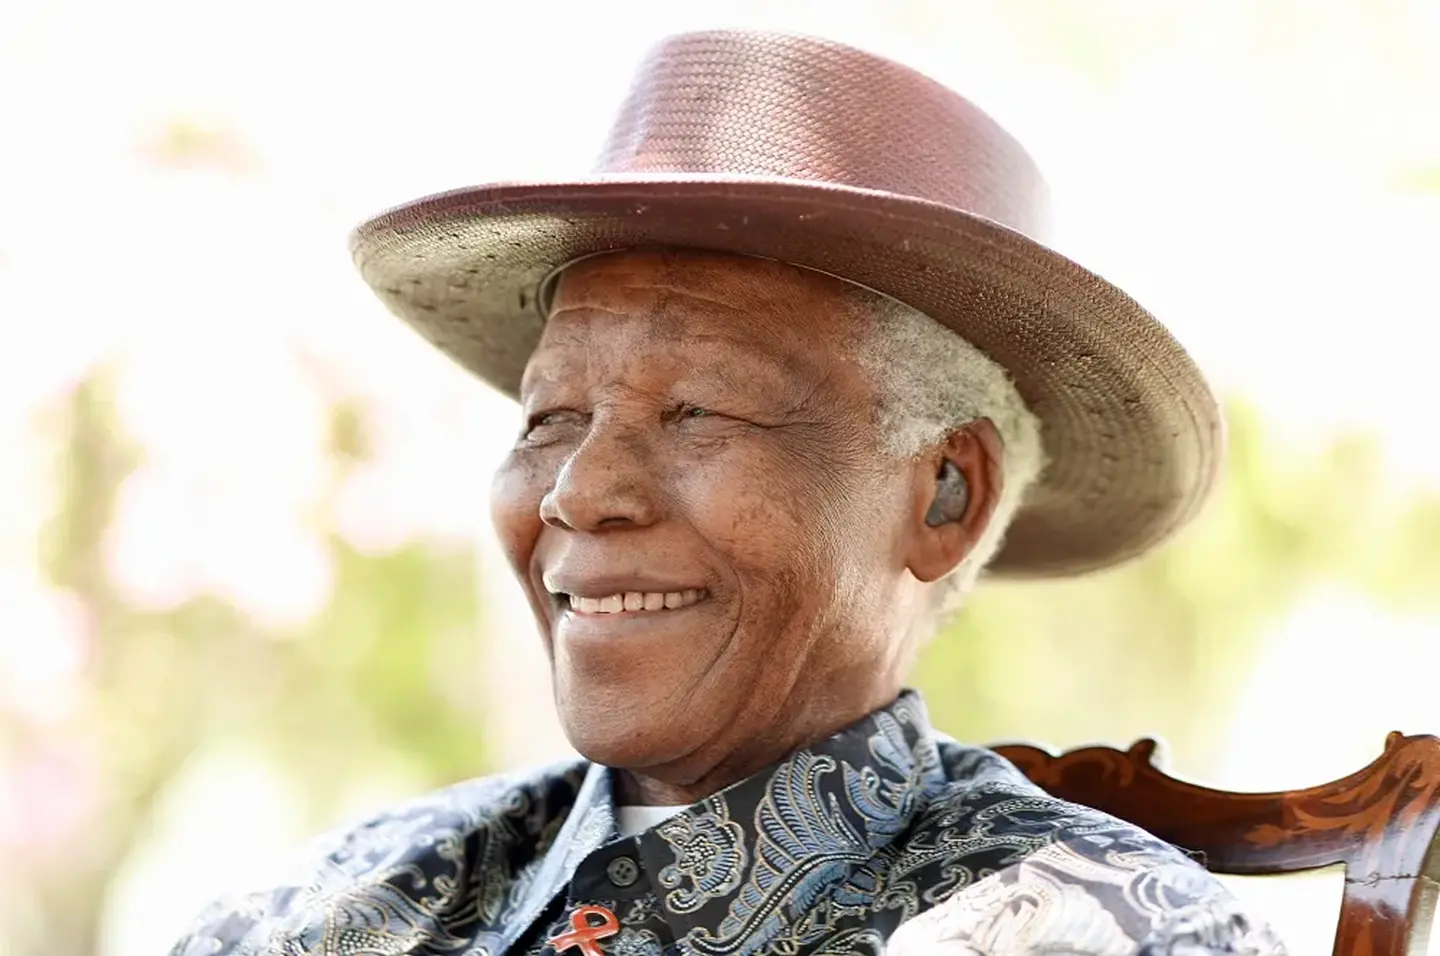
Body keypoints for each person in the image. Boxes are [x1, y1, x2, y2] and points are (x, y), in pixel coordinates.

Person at [169, 29, 1286, 956]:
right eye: (549, 418)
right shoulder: (324, 913)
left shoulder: (1089, 930)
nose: (580, 492)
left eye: (700, 409)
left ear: (945, 493)